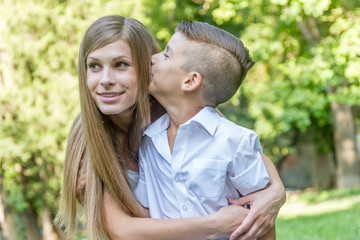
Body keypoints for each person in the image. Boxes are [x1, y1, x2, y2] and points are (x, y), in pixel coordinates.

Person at [55, 15, 286, 240]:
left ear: (145, 64)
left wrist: (275, 191)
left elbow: (241, 150)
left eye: (121, 64)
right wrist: (215, 224)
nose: (105, 79)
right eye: (94, 65)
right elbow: (122, 230)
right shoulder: (89, 138)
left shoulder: (175, 107)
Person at [133, 21, 277, 240]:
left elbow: (263, 216)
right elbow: (144, 211)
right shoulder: (148, 142)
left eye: (166, 55)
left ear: (190, 81)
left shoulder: (234, 140)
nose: (153, 58)